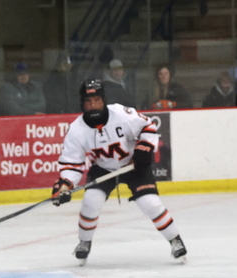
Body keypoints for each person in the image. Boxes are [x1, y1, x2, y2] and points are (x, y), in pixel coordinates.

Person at [51, 80, 186, 265]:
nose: (93, 105)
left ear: (103, 100)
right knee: (90, 201)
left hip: (133, 165)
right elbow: (72, 163)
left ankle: (175, 240)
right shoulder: (76, 130)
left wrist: (144, 148)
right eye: (89, 101)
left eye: (97, 100)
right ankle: (84, 242)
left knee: (151, 204)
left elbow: (148, 126)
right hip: (103, 168)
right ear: (82, 103)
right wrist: (65, 183)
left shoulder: (121, 114)